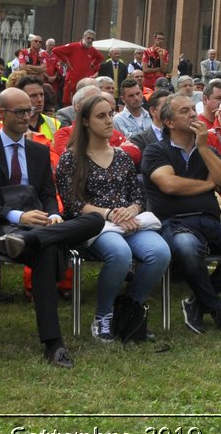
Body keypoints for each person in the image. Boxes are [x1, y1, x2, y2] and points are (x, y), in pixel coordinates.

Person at [0, 87, 104, 367]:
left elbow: (48, 194)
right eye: (19, 111)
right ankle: (54, 344)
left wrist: (52, 215)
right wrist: (18, 217)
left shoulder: (39, 151)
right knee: (49, 250)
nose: (27, 116)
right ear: (0, 114)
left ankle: (36, 238)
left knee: (95, 220)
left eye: (29, 110)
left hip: (35, 227)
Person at [55, 87, 170, 345]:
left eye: (110, 114)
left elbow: (137, 196)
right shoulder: (71, 158)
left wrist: (132, 210)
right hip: (93, 224)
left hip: (128, 222)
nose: (109, 121)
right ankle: (103, 314)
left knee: (160, 252)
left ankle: (130, 309)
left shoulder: (121, 157)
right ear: (85, 121)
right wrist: (109, 213)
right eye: (101, 116)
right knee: (120, 254)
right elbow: (72, 204)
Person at [141, 94, 221, 336]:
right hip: (173, 224)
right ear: (170, 122)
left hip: (209, 223)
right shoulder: (156, 150)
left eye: (193, 110)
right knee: (187, 246)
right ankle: (216, 310)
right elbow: (170, 185)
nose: (194, 114)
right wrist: (207, 185)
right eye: (185, 111)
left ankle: (197, 301)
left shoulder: (207, 149)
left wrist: (203, 148)